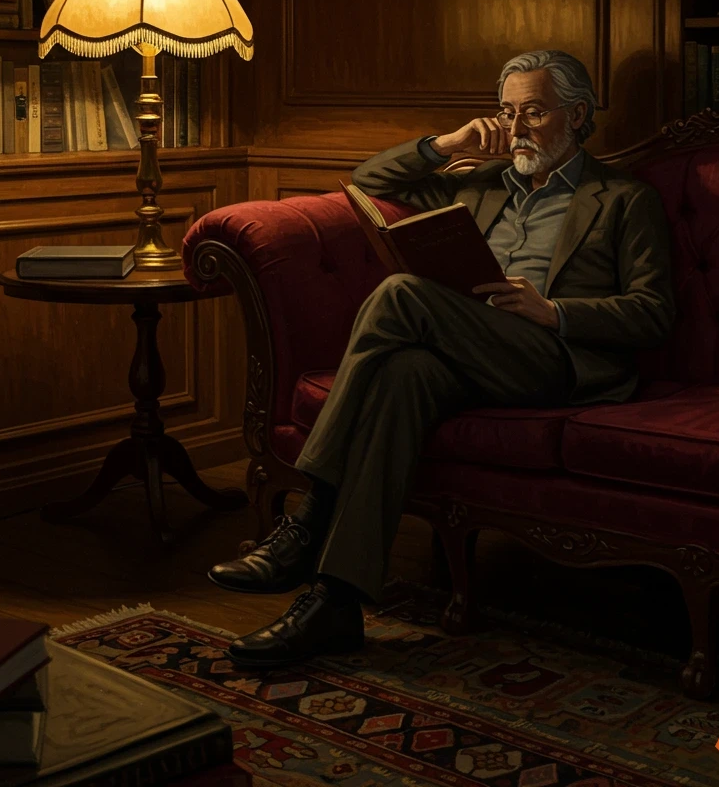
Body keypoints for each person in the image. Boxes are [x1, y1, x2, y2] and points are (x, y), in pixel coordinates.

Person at [209, 49, 675, 668]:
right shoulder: (477, 182)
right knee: (405, 373)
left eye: (533, 112)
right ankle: (335, 604)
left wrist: (554, 312)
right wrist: (443, 143)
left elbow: (653, 311)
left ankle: (306, 518)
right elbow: (369, 180)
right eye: (507, 113)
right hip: (467, 345)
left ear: (578, 114)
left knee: (402, 292)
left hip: (555, 358)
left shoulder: (622, 199)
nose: (516, 129)